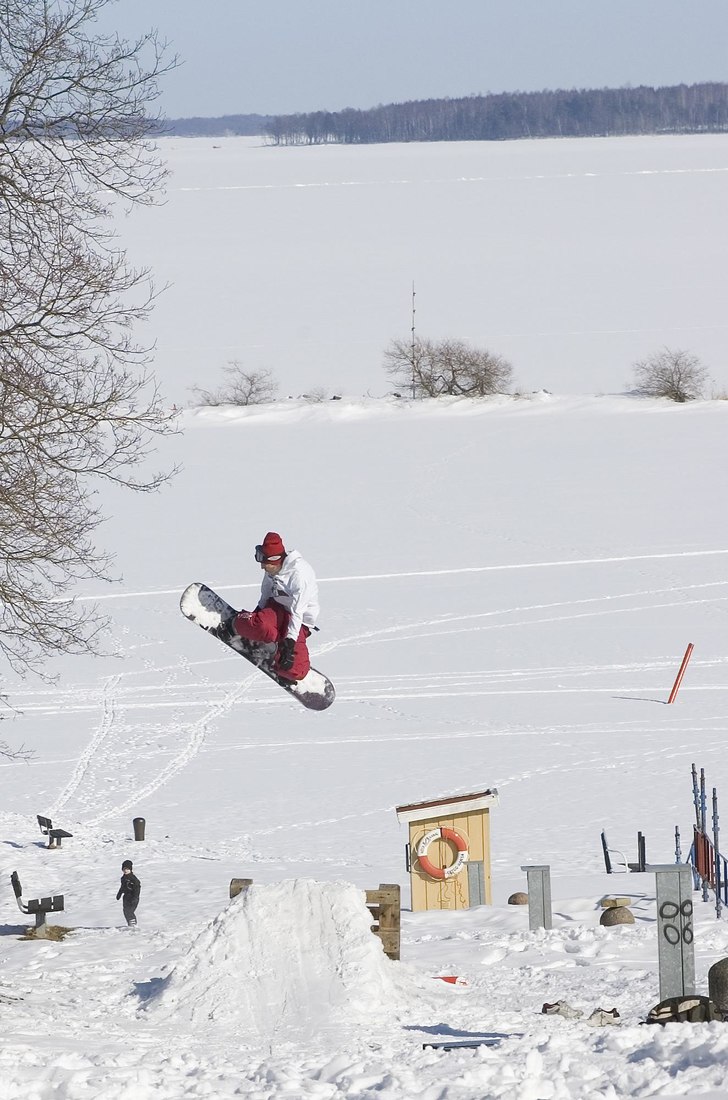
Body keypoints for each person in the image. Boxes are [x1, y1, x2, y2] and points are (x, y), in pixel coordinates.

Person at [222, 532, 320, 681]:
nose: (262, 567)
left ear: (275, 560)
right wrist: (254, 620)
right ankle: (240, 623)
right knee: (259, 625)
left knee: (296, 672)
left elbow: (297, 613)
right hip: (277, 612)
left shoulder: (300, 576)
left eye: (264, 563)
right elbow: (265, 596)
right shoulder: (271, 570)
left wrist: (289, 644)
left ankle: (276, 650)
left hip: (298, 622)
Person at [116, 859, 141, 928]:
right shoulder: (123, 878)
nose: (125, 870)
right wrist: (119, 894)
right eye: (124, 869)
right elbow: (122, 887)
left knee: (130, 911)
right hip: (126, 897)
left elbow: (137, 888)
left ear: (130, 869)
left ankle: (134, 924)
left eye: (127, 869)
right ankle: (129, 924)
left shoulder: (133, 879)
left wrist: (135, 897)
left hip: (133, 898)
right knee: (125, 911)